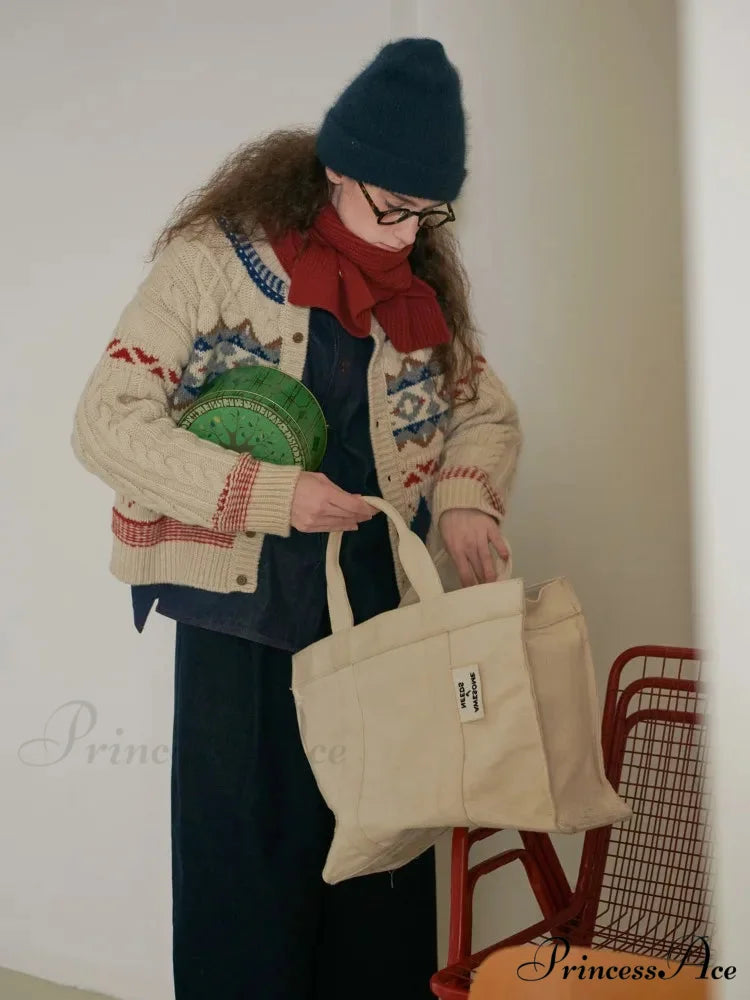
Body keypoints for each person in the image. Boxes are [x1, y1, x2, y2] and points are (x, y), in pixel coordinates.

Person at [70, 36, 522, 1000]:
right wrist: (275, 498)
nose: (405, 234)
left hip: (379, 623)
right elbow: (105, 423)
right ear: (336, 168)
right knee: (248, 883)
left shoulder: (420, 295)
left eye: (426, 213)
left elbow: (482, 408)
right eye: (387, 207)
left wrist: (462, 498)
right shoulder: (211, 266)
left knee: (382, 872)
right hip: (244, 625)